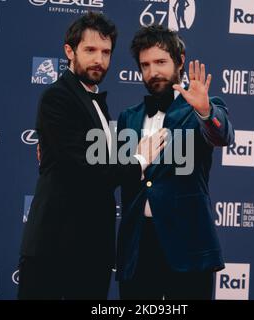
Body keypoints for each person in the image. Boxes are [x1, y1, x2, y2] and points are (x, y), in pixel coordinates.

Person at [18, 12, 165, 300]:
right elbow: (87, 168)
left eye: (106, 52)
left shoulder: (95, 103)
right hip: (54, 249)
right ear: (69, 51)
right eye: (90, 50)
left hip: (91, 253)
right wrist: (138, 160)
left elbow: (96, 167)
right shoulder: (57, 98)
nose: (99, 59)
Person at [116, 25, 235, 300]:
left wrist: (205, 111)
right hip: (137, 248)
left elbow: (222, 134)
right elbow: (123, 173)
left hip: (188, 244)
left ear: (180, 61)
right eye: (145, 65)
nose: (152, 71)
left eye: (160, 62)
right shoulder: (128, 117)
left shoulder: (201, 107)